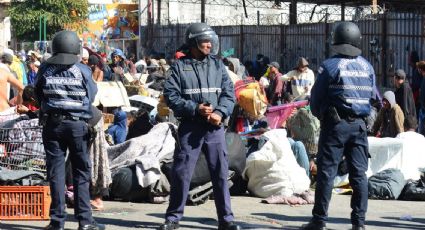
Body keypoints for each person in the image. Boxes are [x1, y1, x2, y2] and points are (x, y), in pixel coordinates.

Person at [160, 23, 241, 230]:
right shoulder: (178, 67)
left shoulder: (217, 65)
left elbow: (229, 94)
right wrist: (195, 108)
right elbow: (171, 96)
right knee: (182, 173)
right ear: (193, 42)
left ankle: (227, 220)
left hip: (215, 130)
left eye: (210, 41)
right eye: (204, 41)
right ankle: (173, 219)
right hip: (190, 128)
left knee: (221, 174)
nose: (209, 45)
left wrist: (220, 112)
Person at [304, 22, 375, 230]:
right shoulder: (367, 66)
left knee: (326, 173)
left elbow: (316, 100)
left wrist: (323, 116)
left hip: (336, 127)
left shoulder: (329, 66)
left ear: (336, 40)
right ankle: (359, 224)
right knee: (359, 175)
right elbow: (372, 98)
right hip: (360, 127)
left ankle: (319, 222)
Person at [34, 30, 104, 230]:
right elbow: (91, 95)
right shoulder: (82, 70)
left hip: (52, 125)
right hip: (76, 126)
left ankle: (57, 223)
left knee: (56, 174)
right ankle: (85, 222)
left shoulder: (45, 69)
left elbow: (37, 94)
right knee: (81, 173)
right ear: (75, 48)